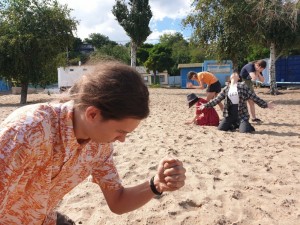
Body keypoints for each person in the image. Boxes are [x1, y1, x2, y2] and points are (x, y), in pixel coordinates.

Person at [0, 61, 186, 225]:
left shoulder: (99, 146)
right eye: (120, 131)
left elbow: (118, 202)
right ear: (92, 114)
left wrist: (157, 184)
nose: (122, 140)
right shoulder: (27, 131)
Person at [199, 72, 274, 133]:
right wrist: (206, 105)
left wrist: (266, 104)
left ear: (238, 78)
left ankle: (245, 125)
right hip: (230, 115)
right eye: (233, 74)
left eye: (236, 74)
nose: (234, 74)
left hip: (242, 115)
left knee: (244, 131)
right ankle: (235, 124)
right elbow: (217, 99)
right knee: (220, 129)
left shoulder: (243, 86)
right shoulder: (226, 88)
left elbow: (253, 96)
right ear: (230, 77)